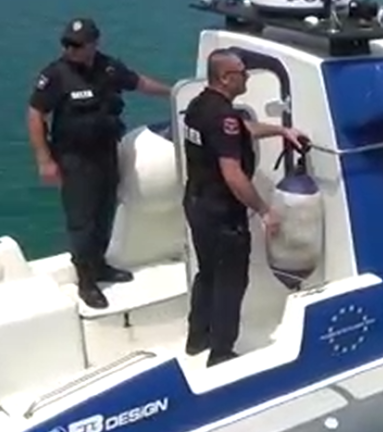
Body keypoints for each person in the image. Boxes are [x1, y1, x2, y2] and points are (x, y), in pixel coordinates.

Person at [27, 18, 173, 310]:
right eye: (67, 44)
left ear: (93, 44)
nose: (70, 49)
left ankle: (100, 265)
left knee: (105, 211)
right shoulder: (55, 75)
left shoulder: (108, 68)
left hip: (106, 152)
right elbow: (35, 114)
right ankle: (86, 281)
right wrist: (44, 159)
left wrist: (175, 92)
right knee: (83, 220)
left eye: (77, 44)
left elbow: (139, 83)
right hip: (75, 158)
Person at [182, 48, 306, 367]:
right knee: (231, 280)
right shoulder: (223, 116)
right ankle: (221, 352)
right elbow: (233, 174)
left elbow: (243, 129)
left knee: (208, 272)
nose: (247, 76)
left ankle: (197, 338)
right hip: (222, 213)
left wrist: (281, 130)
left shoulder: (199, 105)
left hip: (197, 204)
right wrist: (264, 211)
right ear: (226, 78)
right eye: (242, 72)